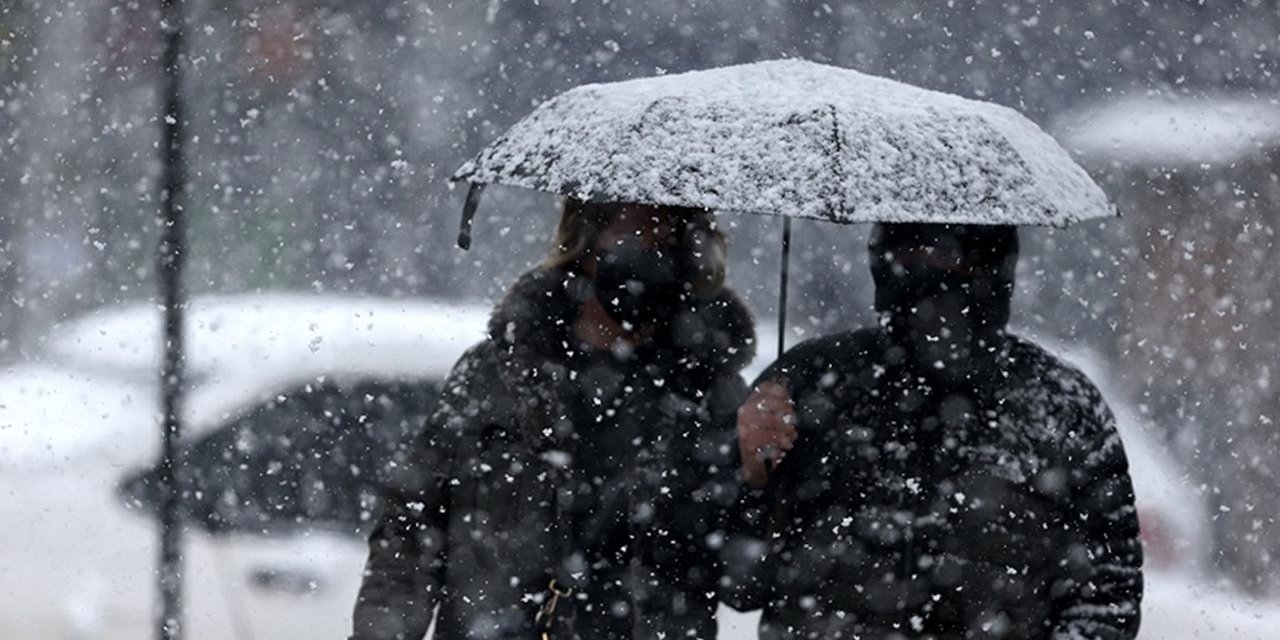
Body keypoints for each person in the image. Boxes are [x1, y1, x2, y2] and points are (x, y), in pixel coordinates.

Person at [350, 199, 756, 640]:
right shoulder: (498, 375)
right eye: (640, 232)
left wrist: (756, 478)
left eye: (672, 239)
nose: (656, 252)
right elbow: (410, 532)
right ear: (584, 244)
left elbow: (746, 581)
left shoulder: (708, 394)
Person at [727, 222, 1143, 639]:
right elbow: (739, 584)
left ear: (992, 262)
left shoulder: (1061, 405)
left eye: (952, 256)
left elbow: (1108, 596)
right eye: (912, 252)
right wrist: (750, 474)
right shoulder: (809, 383)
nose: (931, 271)